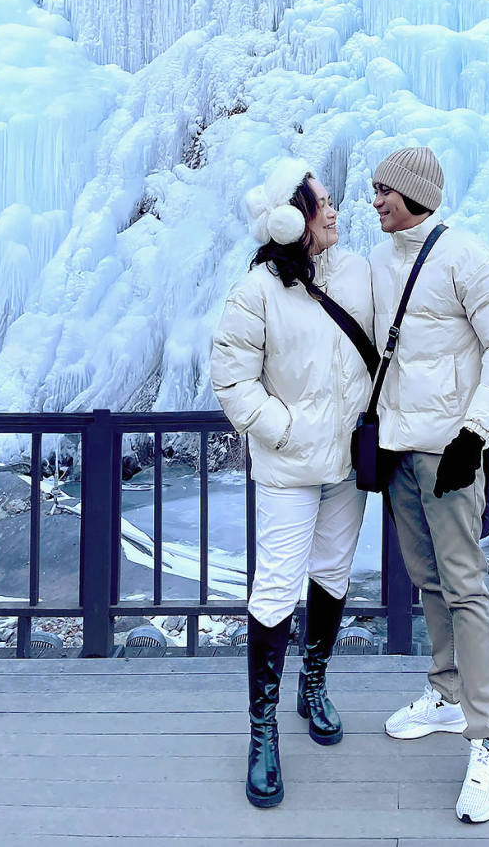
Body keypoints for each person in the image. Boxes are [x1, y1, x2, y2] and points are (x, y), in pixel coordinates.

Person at [209, 159, 375, 809]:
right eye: (320, 204)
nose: (333, 212)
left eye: (331, 202)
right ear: (289, 221)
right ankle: (262, 732)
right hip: (289, 465)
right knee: (277, 584)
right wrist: (283, 427)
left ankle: (314, 684)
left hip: (349, 465)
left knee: (333, 573)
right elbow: (231, 381)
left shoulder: (359, 272)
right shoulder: (256, 291)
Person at [368, 146, 489, 824]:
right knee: (425, 578)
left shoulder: (468, 257)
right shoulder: (378, 261)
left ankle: (488, 738)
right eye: (373, 189)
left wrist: (475, 433)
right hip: (398, 450)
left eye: (385, 191)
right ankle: (445, 691)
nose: (374, 200)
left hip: (450, 456)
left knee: (466, 587)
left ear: (417, 195)